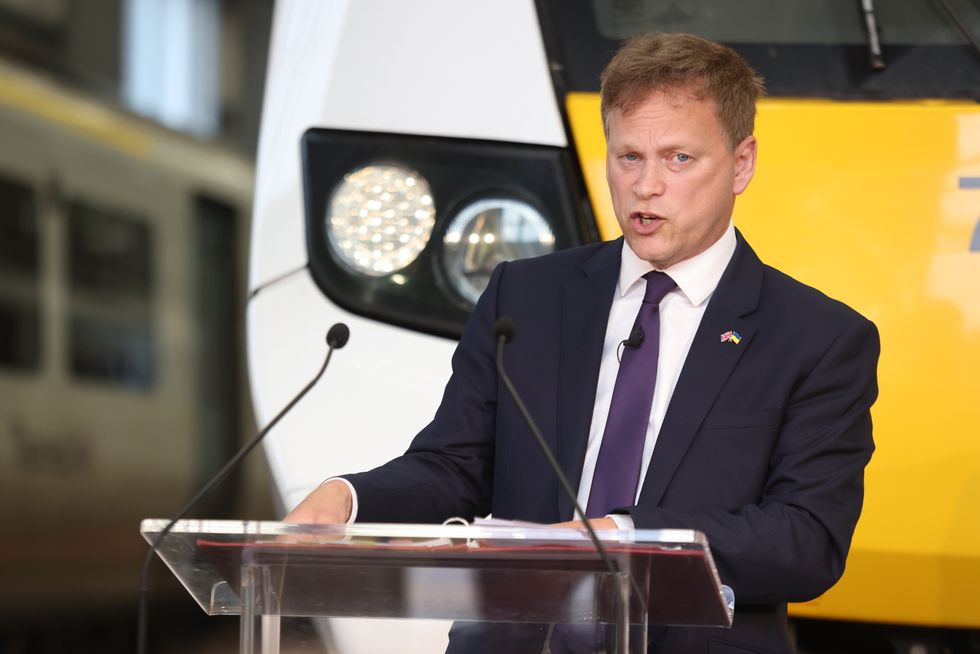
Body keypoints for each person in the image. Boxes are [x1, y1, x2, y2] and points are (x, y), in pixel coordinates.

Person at [285, 32, 879, 653]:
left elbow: (806, 540)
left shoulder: (818, 338)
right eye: (628, 157)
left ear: (742, 162)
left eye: (679, 159)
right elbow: (456, 465)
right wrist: (350, 499)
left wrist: (624, 536)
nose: (646, 186)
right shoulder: (527, 298)